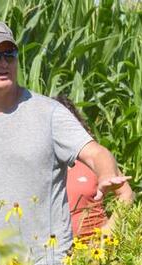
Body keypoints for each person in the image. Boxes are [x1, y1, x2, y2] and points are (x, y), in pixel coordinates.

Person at [0, 21, 130, 265]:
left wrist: (105, 175)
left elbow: (96, 153)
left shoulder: (49, 113)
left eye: (9, 55)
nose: (4, 64)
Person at [53, 96, 133, 241]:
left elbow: (126, 194)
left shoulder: (93, 158)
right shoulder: (39, 162)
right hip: (54, 251)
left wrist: (109, 229)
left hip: (95, 250)